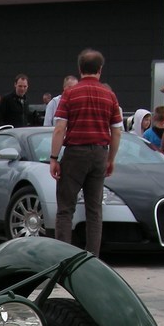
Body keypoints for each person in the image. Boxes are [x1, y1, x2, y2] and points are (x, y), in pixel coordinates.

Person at [48, 48, 122, 258]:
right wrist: (110, 158)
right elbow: (116, 131)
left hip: (75, 153)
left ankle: (61, 257)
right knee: (94, 210)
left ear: (80, 69)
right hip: (99, 153)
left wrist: (54, 158)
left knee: (65, 209)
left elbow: (60, 128)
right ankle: (92, 259)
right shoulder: (110, 95)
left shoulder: (70, 93)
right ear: (100, 69)